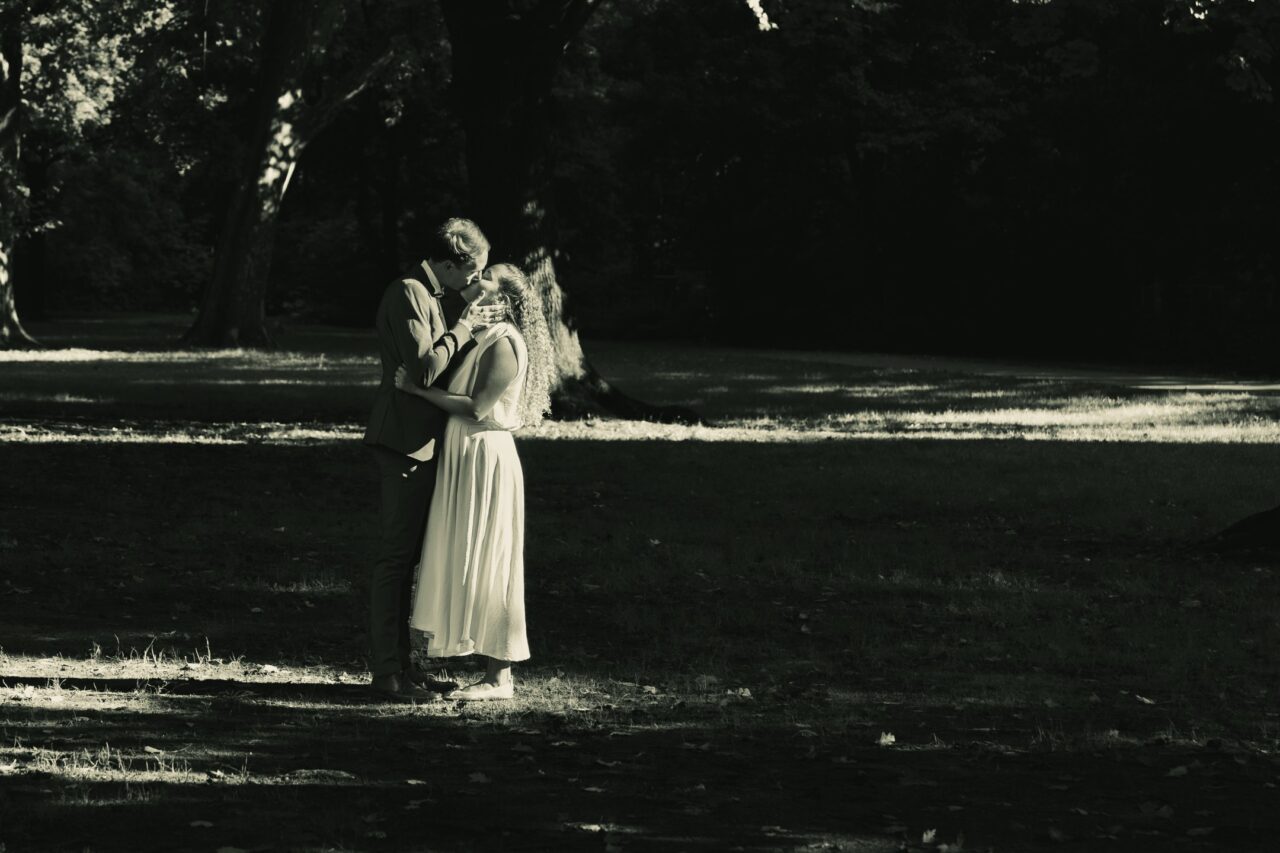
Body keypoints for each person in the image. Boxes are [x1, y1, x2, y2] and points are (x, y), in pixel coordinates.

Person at [393, 263, 554, 700]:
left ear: (501, 298)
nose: (473, 277)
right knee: (471, 554)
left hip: (485, 456)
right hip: (465, 453)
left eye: (485, 276)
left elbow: (479, 407)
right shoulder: (482, 335)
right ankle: (488, 670)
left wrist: (417, 389)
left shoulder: (504, 342)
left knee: (492, 558)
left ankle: (499, 678)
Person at [363, 218, 504, 701]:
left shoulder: (431, 294)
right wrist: (464, 328)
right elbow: (423, 370)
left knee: (408, 561)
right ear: (448, 263)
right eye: (473, 270)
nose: (476, 279)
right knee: (394, 560)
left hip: (422, 442)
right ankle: (387, 674)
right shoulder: (409, 292)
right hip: (403, 441)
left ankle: (404, 667)